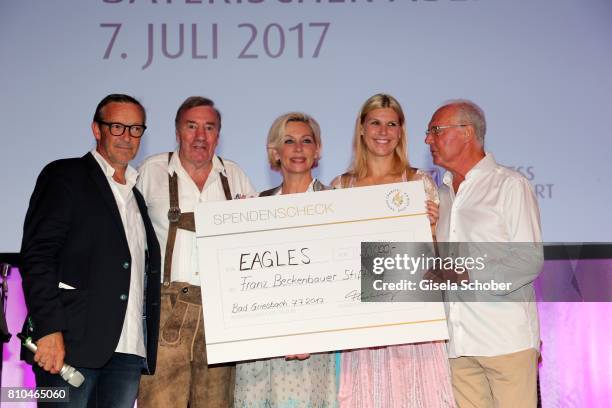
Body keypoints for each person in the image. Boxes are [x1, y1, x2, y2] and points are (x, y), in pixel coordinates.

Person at [20, 94, 162, 407]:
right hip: (70, 347)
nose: (127, 137)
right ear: (97, 130)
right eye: (117, 127)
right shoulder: (65, 176)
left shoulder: (137, 197)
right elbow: (38, 255)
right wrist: (49, 329)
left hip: (128, 351)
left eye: (136, 129)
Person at [331, 94, 455, 407]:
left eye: (391, 124)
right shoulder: (340, 188)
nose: (383, 131)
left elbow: (439, 261)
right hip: (361, 323)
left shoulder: (419, 182)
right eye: (375, 122)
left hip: (413, 320)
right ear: (361, 128)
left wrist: (433, 230)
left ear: (400, 131)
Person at [137, 96, 255, 408]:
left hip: (220, 314)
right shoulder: (152, 171)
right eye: (192, 126)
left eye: (209, 127)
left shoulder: (235, 176)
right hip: (166, 313)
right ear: (177, 131)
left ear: (218, 134)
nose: (200, 136)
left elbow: (256, 245)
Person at [425, 100, 543, 407]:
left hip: (505, 341)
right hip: (459, 344)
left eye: (435, 131)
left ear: (466, 133)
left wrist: (465, 274)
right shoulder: (441, 196)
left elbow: (527, 261)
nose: (428, 140)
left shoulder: (509, 186)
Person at [234, 112, 337, 408]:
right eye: (288, 141)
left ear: (317, 150)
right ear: (275, 152)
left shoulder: (338, 203)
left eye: (306, 141)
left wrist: (312, 335)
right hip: (259, 346)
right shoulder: (254, 206)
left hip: (312, 345)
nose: (298, 148)